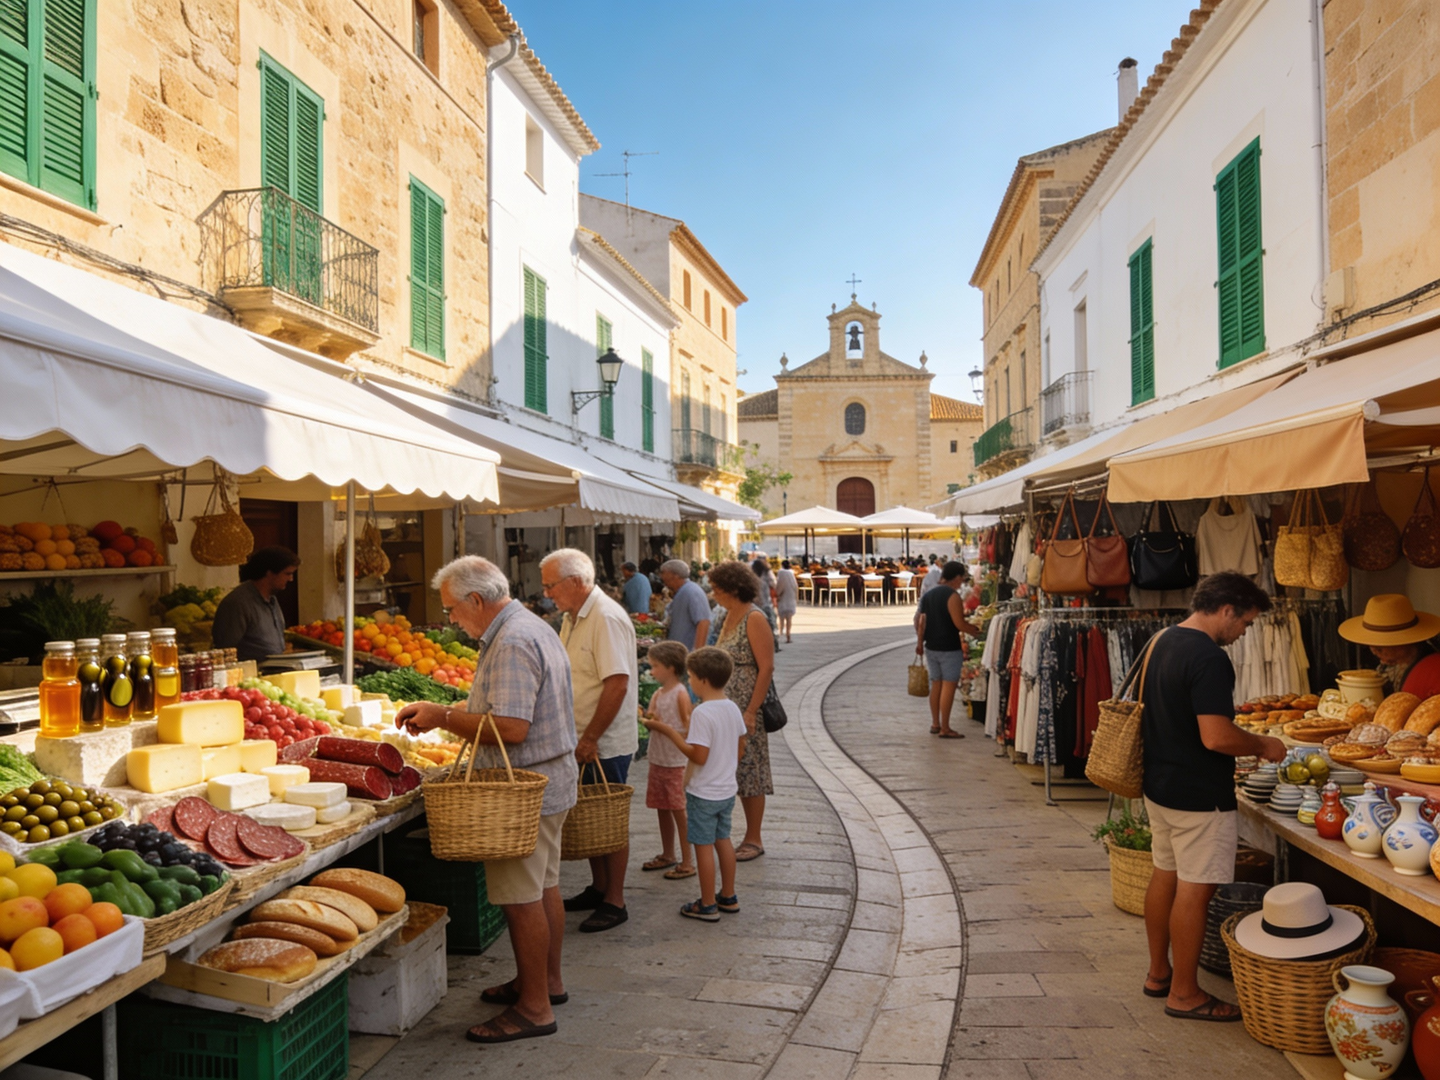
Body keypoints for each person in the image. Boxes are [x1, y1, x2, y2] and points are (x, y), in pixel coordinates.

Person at [396, 556, 577, 1044]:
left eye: (453, 609)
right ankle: (546, 984)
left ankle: (535, 1008)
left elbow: (513, 729)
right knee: (544, 888)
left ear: (477, 600)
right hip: (548, 781)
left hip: (521, 792)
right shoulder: (527, 627)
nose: (452, 619)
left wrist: (443, 715)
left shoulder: (514, 640)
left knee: (522, 901)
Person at [1139, 571, 1286, 1023]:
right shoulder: (1208, 657)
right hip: (1198, 795)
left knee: (1166, 875)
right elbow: (1217, 736)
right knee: (1195, 892)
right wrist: (1263, 745)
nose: (1243, 634)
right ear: (1227, 610)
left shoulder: (1163, 638)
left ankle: (1159, 974)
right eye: (1244, 623)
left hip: (1160, 785)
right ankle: (1184, 993)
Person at [542, 549, 638, 934]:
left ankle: (615, 899)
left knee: (608, 820)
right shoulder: (573, 617)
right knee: (591, 818)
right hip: (581, 737)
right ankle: (599, 888)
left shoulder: (606, 618)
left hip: (603, 741)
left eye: (551, 585)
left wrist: (591, 737)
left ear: (577, 582)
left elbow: (617, 683)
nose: (547, 592)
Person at [642, 646, 748, 921]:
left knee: (703, 846)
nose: (689, 682)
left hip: (704, 792)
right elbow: (740, 746)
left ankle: (708, 903)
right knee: (723, 840)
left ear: (702, 679)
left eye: (690, 677)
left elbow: (698, 755)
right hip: (725, 790)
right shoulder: (732, 708)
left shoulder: (703, 712)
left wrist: (669, 733)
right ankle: (728, 895)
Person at [708, 560, 774, 862]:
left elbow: (766, 667)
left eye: (717, 589)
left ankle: (754, 837)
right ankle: (727, 832)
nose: (713, 594)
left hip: (746, 706)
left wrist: (751, 710)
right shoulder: (726, 615)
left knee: (750, 770)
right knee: (729, 767)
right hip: (724, 706)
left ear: (734, 589)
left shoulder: (754, 617)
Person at [641, 641, 695, 880]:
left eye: (656, 666)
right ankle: (668, 853)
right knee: (662, 806)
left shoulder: (681, 694)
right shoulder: (658, 693)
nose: (652, 671)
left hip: (675, 761)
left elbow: (688, 728)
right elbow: (654, 716)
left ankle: (687, 859)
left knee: (678, 809)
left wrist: (658, 725)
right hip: (658, 758)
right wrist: (648, 718)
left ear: (671, 668)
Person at [914, 561, 982, 738]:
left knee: (936, 684)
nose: (962, 583)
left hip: (931, 647)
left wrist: (920, 643)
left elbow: (920, 621)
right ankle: (945, 727)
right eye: (962, 579)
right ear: (957, 577)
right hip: (949, 647)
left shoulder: (928, 595)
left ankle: (935, 723)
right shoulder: (952, 596)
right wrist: (974, 631)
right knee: (949, 686)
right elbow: (958, 623)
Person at [1337, 594, 1440, 698]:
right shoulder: (1389, 665)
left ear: (1403, 642)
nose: (1374, 652)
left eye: (1379, 649)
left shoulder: (1432, 670)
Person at [211, 546, 299, 662]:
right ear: (269, 573)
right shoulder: (237, 603)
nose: (291, 579)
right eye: (287, 574)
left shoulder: (272, 599)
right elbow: (225, 649)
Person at [660, 559, 711, 651]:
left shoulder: (692, 591)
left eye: (665, 579)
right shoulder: (682, 591)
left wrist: (697, 653)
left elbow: (704, 622)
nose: (665, 583)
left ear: (675, 576)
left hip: (688, 652)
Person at [774, 560, 799, 643]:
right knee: (789, 618)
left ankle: (781, 634)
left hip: (783, 597)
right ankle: (788, 635)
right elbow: (795, 586)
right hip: (791, 597)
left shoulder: (781, 573)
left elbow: (780, 585)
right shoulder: (791, 574)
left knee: (781, 618)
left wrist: (777, 594)